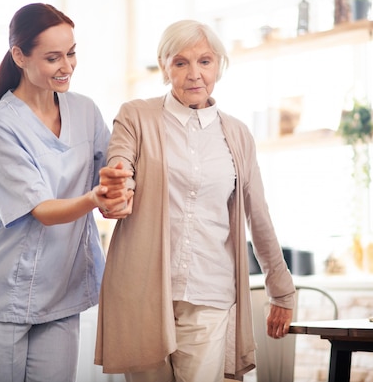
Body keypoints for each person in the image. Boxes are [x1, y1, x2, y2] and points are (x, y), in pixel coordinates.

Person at [95, 19, 296, 381]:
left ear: (218, 65)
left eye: (204, 61)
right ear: (164, 67)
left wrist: (281, 290)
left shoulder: (237, 134)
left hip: (209, 292)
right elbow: (119, 162)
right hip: (141, 291)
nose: (194, 74)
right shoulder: (136, 116)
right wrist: (118, 186)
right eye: (180, 62)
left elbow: (258, 214)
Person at [0, 3, 131, 382]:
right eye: (53, 57)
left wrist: (119, 189)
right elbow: (43, 209)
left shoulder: (84, 110)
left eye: (71, 53)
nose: (66, 66)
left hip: (61, 296)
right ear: (19, 55)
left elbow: (114, 170)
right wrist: (95, 199)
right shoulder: (0, 126)